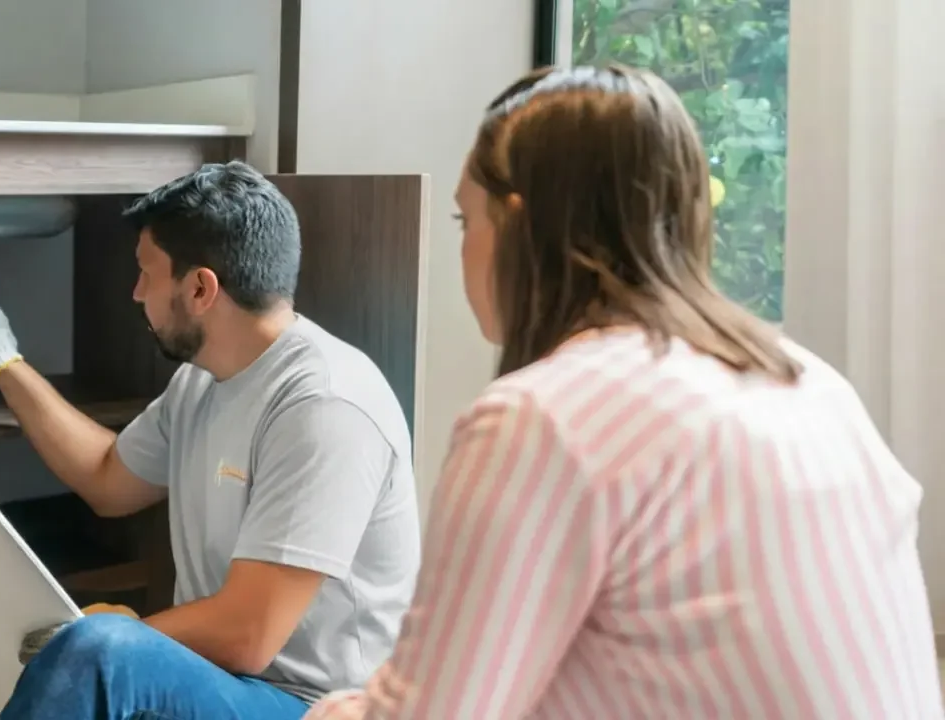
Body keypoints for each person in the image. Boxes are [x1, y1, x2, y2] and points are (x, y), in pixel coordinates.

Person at [304, 65, 944, 719]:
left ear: (519, 226)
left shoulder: (542, 419)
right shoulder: (808, 382)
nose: (463, 248)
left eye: (464, 220)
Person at [0, 161, 422, 719]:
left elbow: (250, 634)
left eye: (147, 273)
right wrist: (6, 364)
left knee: (102, 650)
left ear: (200, 289)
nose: (136, 292)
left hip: (306, 703)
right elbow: (110, 479)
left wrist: (105, 628)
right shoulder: (206, 381)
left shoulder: (325, 405)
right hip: (222, 679)